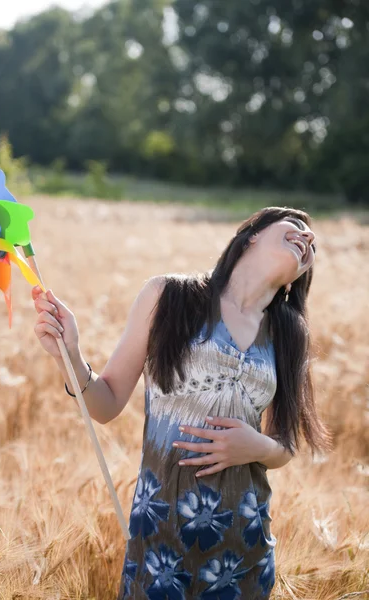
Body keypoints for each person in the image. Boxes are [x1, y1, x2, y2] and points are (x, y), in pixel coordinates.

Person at [32, 206, 333, 599]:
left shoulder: (288, 333)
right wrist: (68, 355)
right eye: (295, 226)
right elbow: (105, 406)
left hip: (244, 546)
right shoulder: (169, 296)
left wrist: (254, 447)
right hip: (159, 539)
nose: (307, 238)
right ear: (253, 234)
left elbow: (286, 445)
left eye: (313, 243)